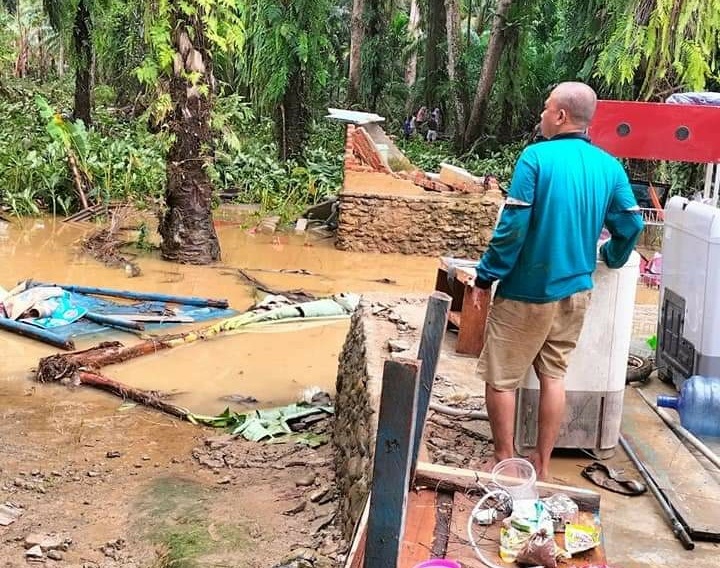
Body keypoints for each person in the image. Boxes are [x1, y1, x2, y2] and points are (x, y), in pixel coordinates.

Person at [470, 81, 644, 481]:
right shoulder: (608, 166)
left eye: (546, 109)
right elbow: (632, 223)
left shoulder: (536, 158)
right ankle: (542, 465)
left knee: (502, 379)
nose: (542, 116)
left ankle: (504, 460)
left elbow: (513, 227)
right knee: (554, 376)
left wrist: (485, 275)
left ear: (562, 115)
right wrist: (612, 258)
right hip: (576, 291)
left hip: (526, 292)